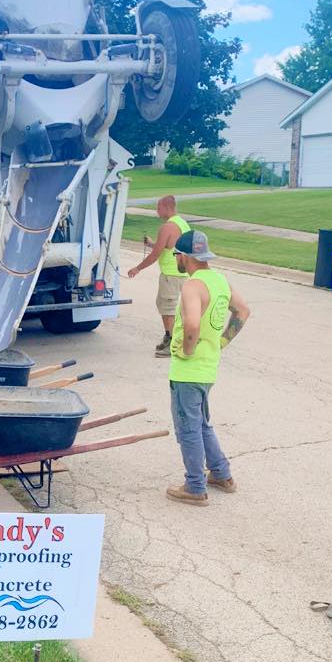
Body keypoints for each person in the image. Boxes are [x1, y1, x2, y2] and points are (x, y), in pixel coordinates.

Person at [167, 230, 250, 507]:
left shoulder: (192, 286)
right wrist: (222, 341)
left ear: (186, 256)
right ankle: (221, 475)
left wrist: (188, 349)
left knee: (188, 428)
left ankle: (195, 486)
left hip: (188, 371)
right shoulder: (219, 281)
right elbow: (243, 312)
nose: (175, 259)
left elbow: (192, 324)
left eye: (176, 254)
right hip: (208, 367)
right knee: (201, 423)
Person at [127, 195, 191, 357]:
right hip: (183, 274)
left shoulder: (167, 227)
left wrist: (138, 268)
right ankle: (171, 338)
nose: (157, 211)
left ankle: (172, 344)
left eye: (158, 208)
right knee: (171, 307)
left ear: (166, 207)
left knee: (168, 308)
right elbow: (167, 247)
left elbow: (156, 254)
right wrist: (150, 243)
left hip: (171, 275)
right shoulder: (182, 224)